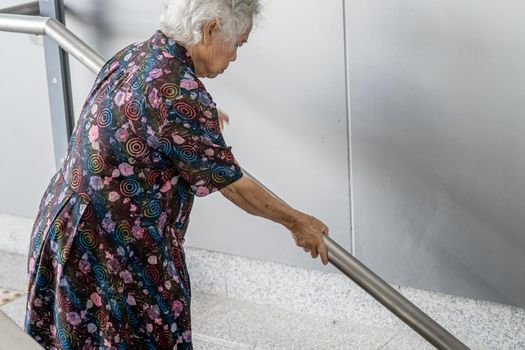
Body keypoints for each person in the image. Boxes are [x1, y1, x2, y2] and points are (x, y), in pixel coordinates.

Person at [24, 0, 329, 348]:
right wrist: (297, 222)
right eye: (237, 45)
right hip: (109, 251)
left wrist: (203, 121)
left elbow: (145, 118)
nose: (233, 58)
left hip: (67, 225)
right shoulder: (178, 92)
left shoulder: (136, 55)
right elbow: (234, 185)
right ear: (210, 29)